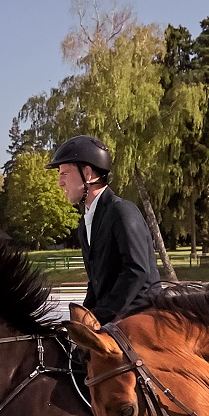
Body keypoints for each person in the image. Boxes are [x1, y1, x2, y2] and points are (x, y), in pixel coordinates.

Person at [49, 134, 160, 324]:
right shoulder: (85, 224)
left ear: (88, 174)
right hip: (113, 318)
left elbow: (136, 271)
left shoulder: (122, 211)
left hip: (141, 315)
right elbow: (96, 282)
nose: (60, 182)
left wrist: (100, 316)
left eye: (64, 174)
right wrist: (84, 316)